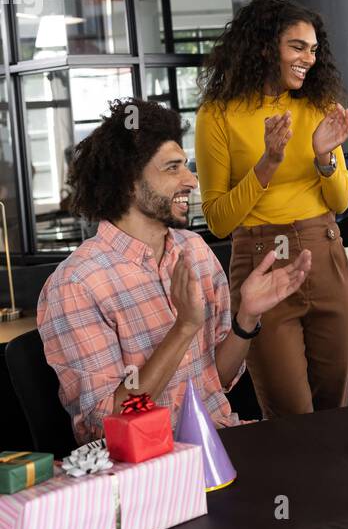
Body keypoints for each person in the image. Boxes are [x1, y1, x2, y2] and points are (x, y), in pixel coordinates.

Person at [37, 98, 309, 446]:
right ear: (128, 183)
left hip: (221, 444)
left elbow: (216, 380)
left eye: (186, 166)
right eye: (172, 168)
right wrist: (184, 327)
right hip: (154, 469)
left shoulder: (193, 249)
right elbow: (107, 425)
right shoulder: (77, 284)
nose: (191, 180)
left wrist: (246, 318)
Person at [195, 0, 348, 417]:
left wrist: (325, 158)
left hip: (325, 251)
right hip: (263, 263)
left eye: (314, 50)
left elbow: (341, 201)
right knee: (291, 418)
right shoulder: (218, 114)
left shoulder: (318, 105)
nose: (309, 59)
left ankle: (337, 486)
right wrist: (266, 164)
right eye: (297, 47)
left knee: (335, 410)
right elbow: (218, 220)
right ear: (266, 47)